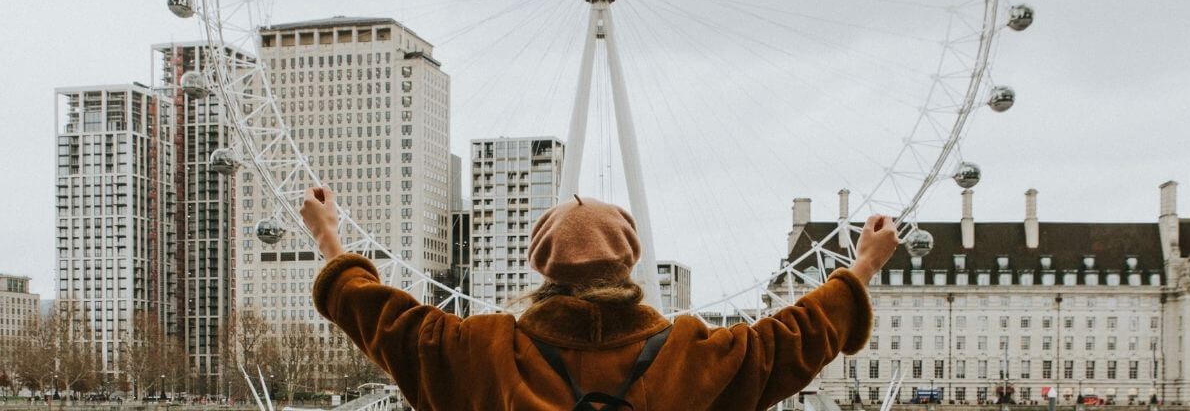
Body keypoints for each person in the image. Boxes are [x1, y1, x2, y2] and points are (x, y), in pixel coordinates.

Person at [302, 186, 898, 411]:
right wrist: (863, 267)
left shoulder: (479, 349)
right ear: (630, 261)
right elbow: (789, 340)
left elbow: (378, 315)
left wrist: (329, 236)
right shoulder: (692, 353)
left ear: (542, 269)